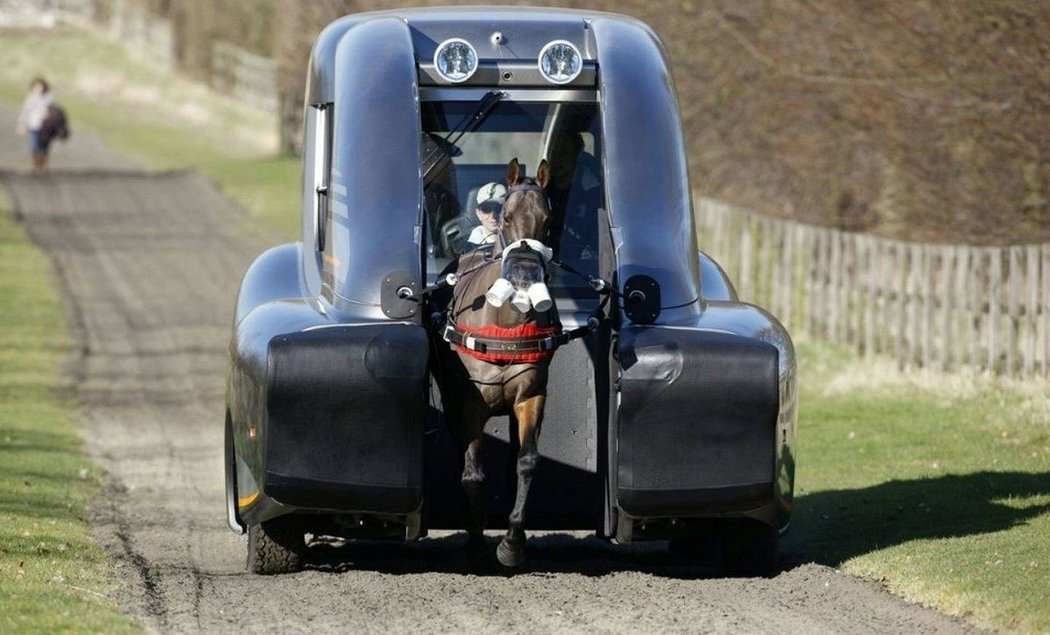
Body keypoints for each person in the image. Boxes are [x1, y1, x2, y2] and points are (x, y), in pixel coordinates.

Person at [16, 77, 55, 175]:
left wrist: (47, 114)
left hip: (45, 127)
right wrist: (22, 124)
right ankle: (36, 166)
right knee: (34, 146)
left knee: (44, 147)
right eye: (36, 87)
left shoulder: (48, 98)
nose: (38, 89)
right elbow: (25, 112)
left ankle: (42, 166)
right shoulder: (30, 98)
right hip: (33, 125)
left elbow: (54, 111)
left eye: (40, 86)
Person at [465, 182, 506, 249]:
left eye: (498, 208)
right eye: (486, 209)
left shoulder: (520, 245)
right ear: (478, 214)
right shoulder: (460, 249)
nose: (493, 216)